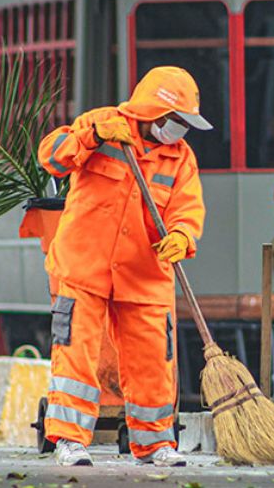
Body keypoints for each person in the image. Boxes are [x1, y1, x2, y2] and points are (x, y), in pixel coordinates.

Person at [37, 66, 210, 467]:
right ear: (154, 113)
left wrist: (183, 236)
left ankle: (155, 445)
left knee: (152, 362)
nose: (181, 130)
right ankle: (69, 441)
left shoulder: (181, 159)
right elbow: (51, 157)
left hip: (145, 277)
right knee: (75, 355)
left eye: (186, 124)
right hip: (84, 268)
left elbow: (188, 209)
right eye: (178, 121)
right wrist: (92, 137)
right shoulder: (102, 125)